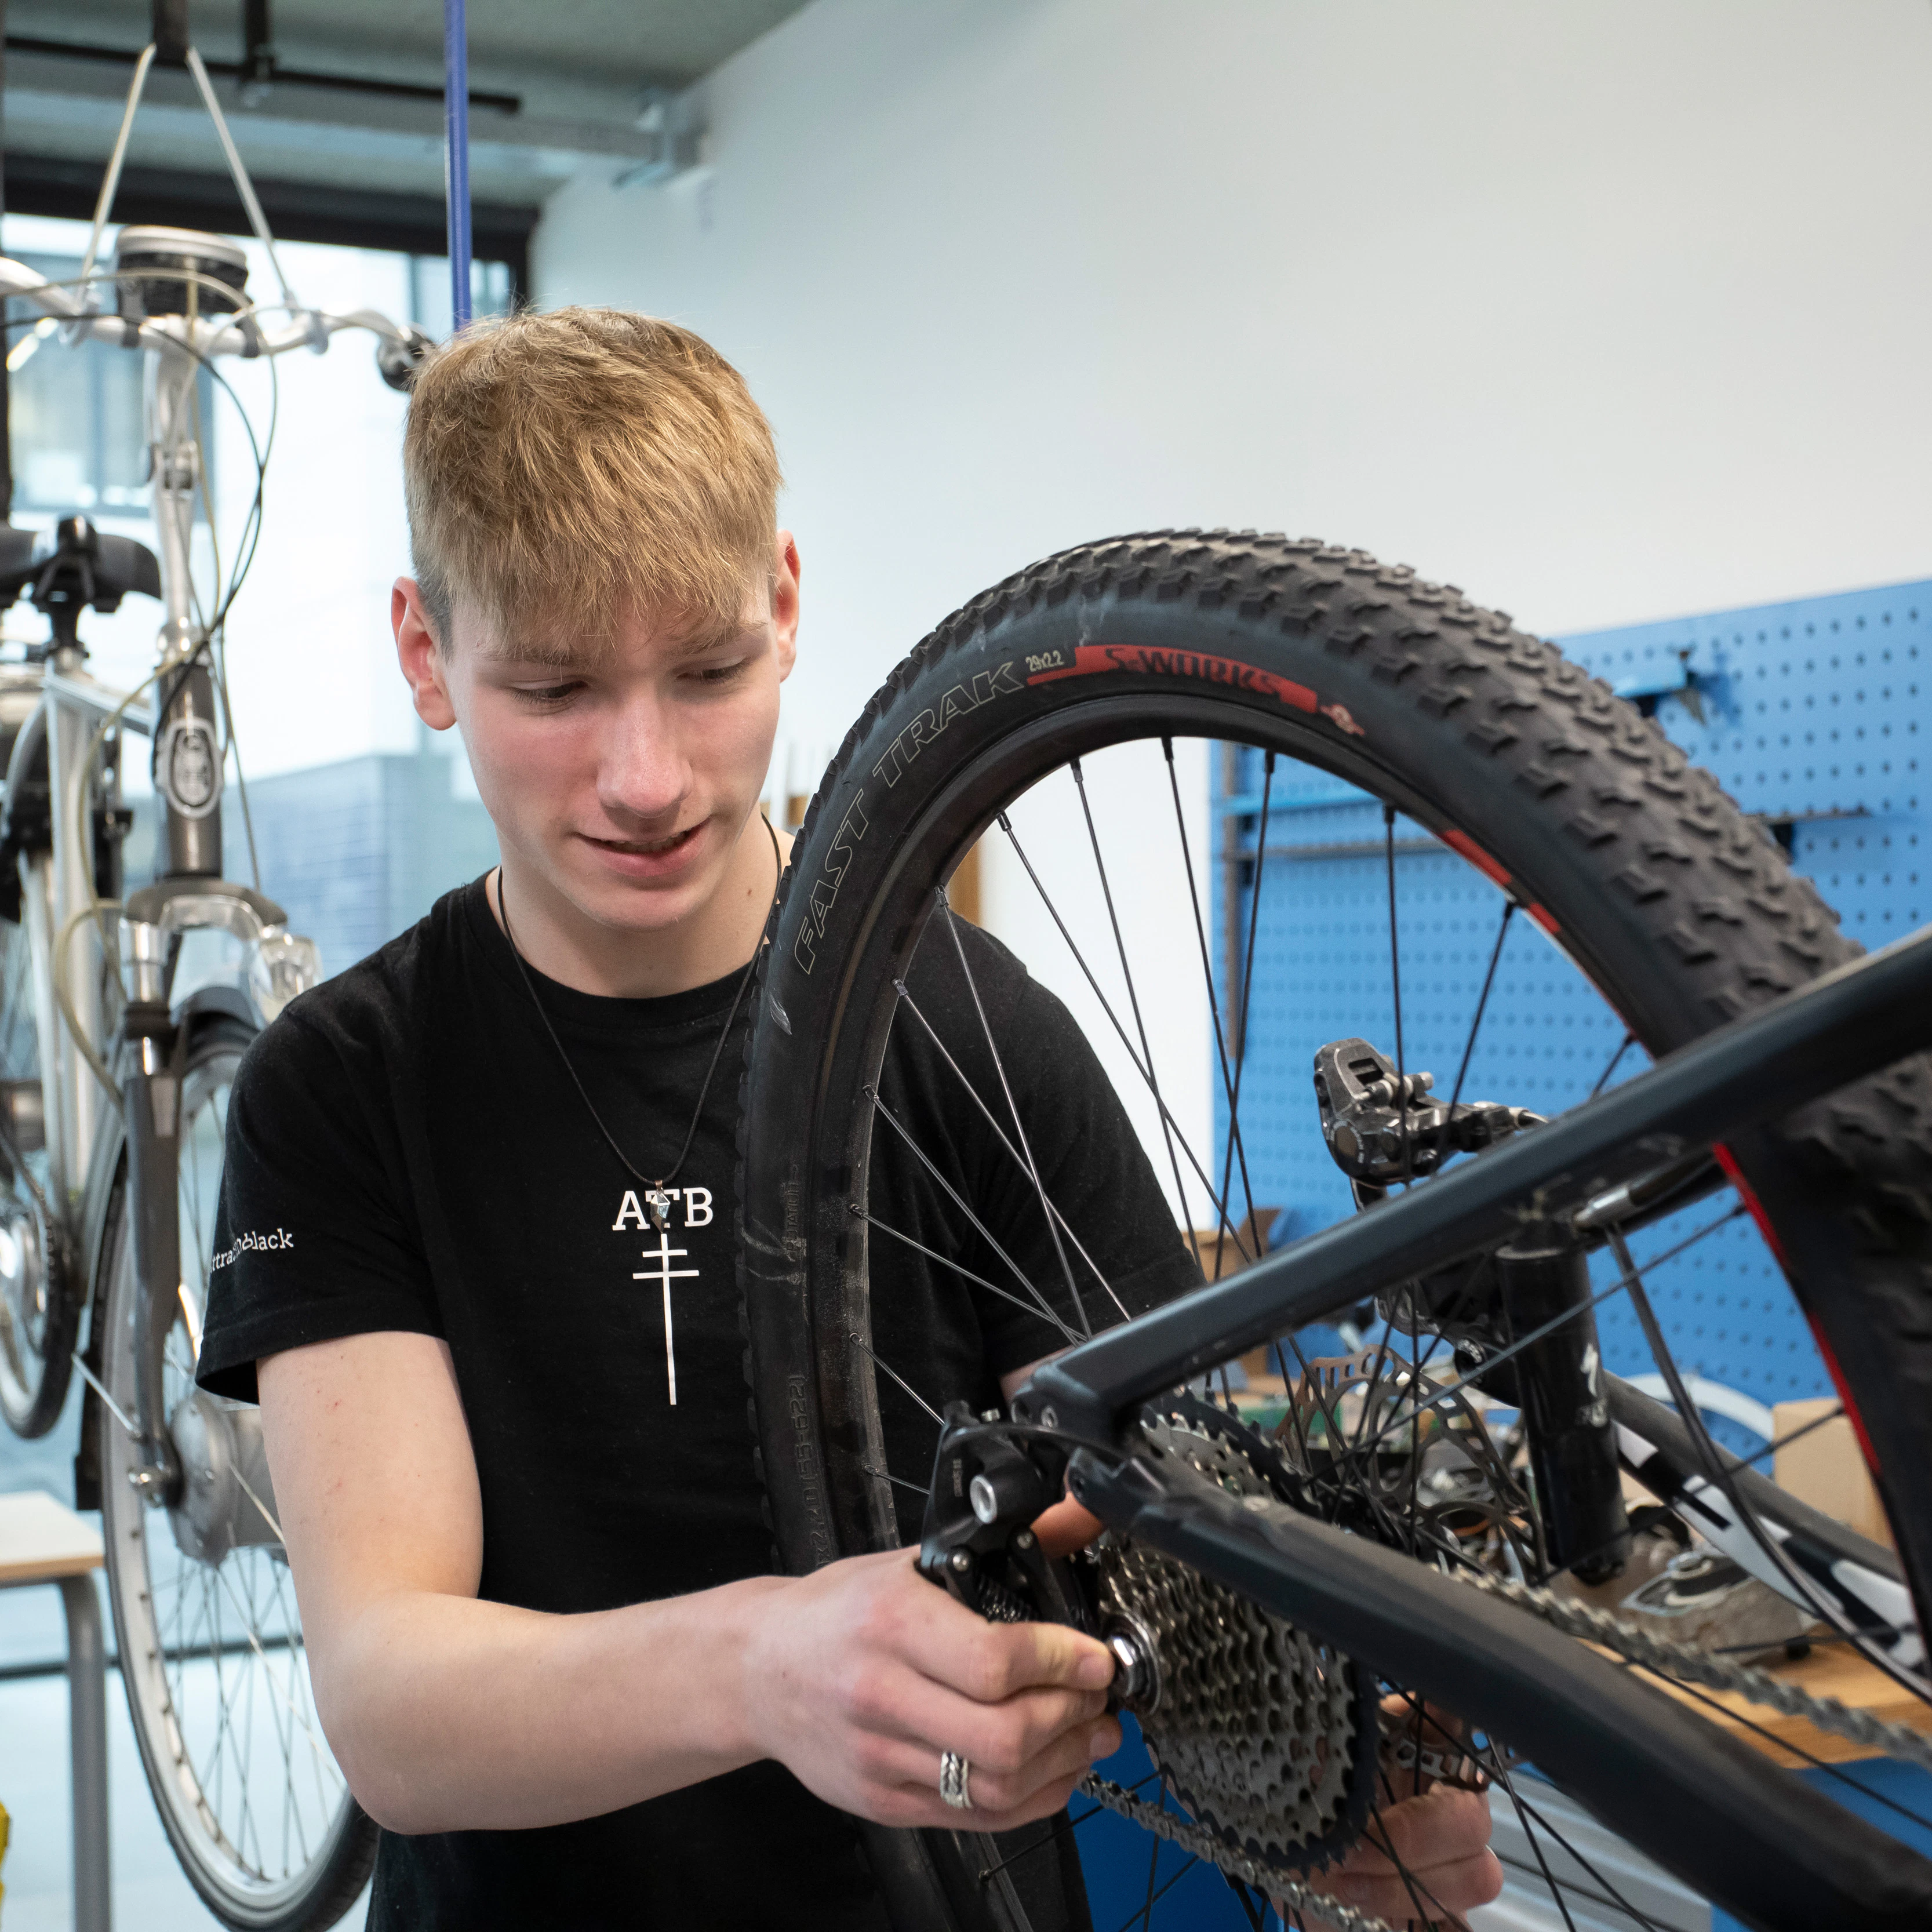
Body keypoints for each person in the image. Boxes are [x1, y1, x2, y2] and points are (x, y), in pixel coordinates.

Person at [197, 307, 1500, 1930]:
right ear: (424, 654)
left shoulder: (969, 1022)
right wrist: (762, 1662)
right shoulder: (344, 1081)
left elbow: (1151, 1513)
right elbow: (393, 1708)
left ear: (788, 603)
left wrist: (1345, 1751)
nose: (646, 774)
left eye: (709, 670)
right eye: (553, 687)